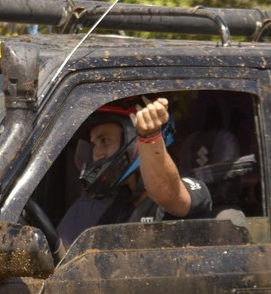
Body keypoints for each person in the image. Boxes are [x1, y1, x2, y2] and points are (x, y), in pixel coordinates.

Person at [56, 97, 212, 246]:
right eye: (94, 145)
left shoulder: (191, 190)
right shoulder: (120, 207)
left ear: (135, 139)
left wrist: (149, 136)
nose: (97, 154)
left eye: (104, 141)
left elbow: (169, 194)